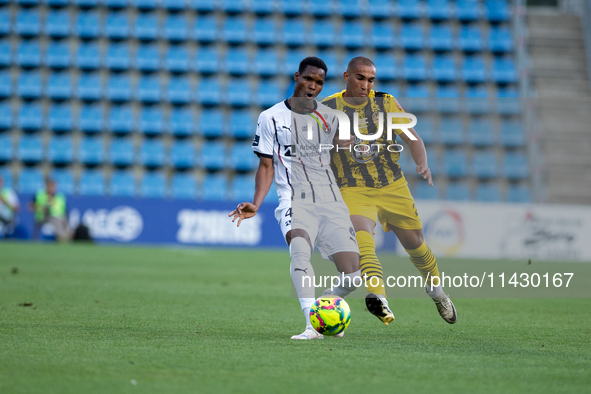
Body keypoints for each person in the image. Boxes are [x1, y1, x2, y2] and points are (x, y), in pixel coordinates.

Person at [229, 57, 364, 340]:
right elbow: (266, 166)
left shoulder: (330, 116)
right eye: (308, 79)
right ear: (297, 77)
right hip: (294, 199)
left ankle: (327, 299)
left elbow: (347, 151)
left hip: (330, 201)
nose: (312, 86)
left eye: (319, 83)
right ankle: (311, 325)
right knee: (300, 250)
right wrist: (256, 202)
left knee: (353, 277)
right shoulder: (271, 117)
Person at [322, 57, 457, 325]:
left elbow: (412, 137)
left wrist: (422, 162)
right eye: (360, 78)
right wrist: (334, 143)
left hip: (392, 186)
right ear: (347, 76)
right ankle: (378, 296)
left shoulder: (385, 102)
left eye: (371, 80)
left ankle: (437, 291)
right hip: (353, 188)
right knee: (363, 239)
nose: (365, 85)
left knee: (416, 245)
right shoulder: (327, 108)